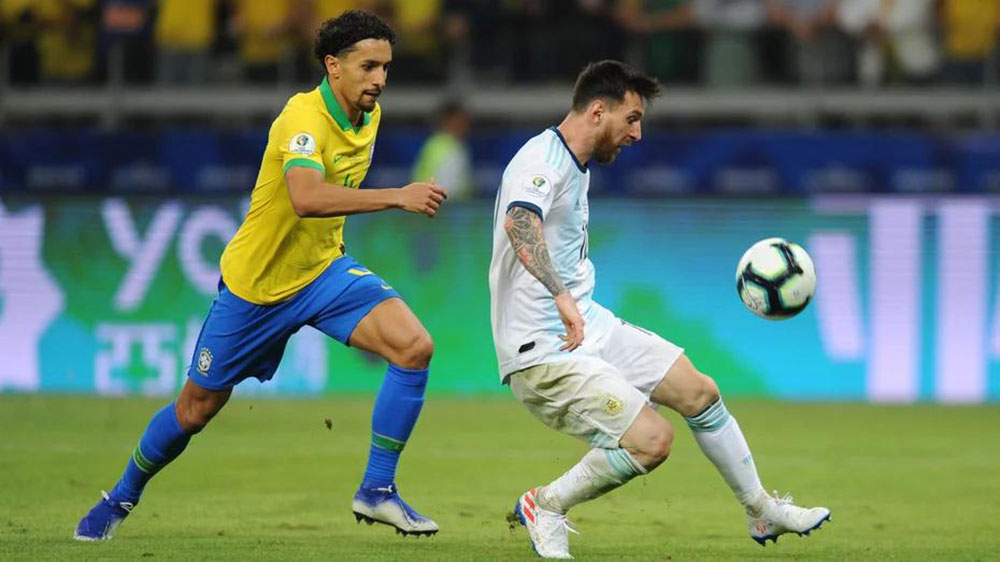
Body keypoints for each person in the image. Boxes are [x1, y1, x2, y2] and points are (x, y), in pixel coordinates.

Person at [74, 10, 447, 541]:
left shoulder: (370, 116)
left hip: (322, 273)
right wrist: (397, 196)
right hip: (257, 288)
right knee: (195, 410)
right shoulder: (301, 119)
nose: (380, 79)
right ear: (333, 66)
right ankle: (119, 497)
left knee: (414, 347)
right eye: (368, 67)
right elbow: (306, 197)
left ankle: (377, 490)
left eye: (386, 67)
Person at [489, 60, 830, 559]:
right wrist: (560, 295)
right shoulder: (540, 161)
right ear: (598, 111)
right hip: (541, 349)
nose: (638, 134)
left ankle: (761, 510)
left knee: (700, 392)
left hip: (588, 324)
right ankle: (547, 504)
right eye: (631, 119)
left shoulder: (573, 163)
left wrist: (571, 301)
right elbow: (520, 222)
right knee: (652, 441)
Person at [411, 100, 474, 200]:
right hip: (439, 205)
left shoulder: (455, 145)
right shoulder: (443, 147)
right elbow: (449, 188)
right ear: (448, 121)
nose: (465, 125)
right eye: (460, 120)